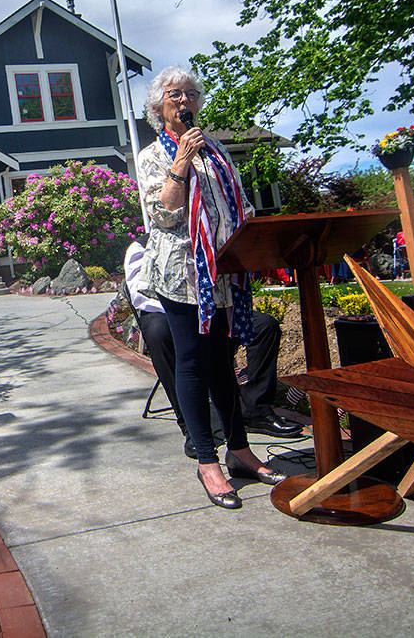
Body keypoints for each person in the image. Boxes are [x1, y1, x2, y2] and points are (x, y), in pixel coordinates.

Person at [136, 66, 287, 510]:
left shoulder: (217, 150)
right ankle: (207, 460)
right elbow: (163, 214)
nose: (183, 101)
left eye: (189, 95)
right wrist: (181, 160)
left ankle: (239, 451)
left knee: (222, 360)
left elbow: (236, 201)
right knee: (194, 362)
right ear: (158, 108)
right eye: (173, 96)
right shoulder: (153, 156)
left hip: (222, 271)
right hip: (180, 272)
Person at [125, 238, 299, 459]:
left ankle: (256, 409)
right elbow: (142, 297)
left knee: (265, 326)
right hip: (170, 314)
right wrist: (186, 313)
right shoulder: (141, 247)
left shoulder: (204, 235)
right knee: (158, 332)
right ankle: (191, 429)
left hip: (211, 308)